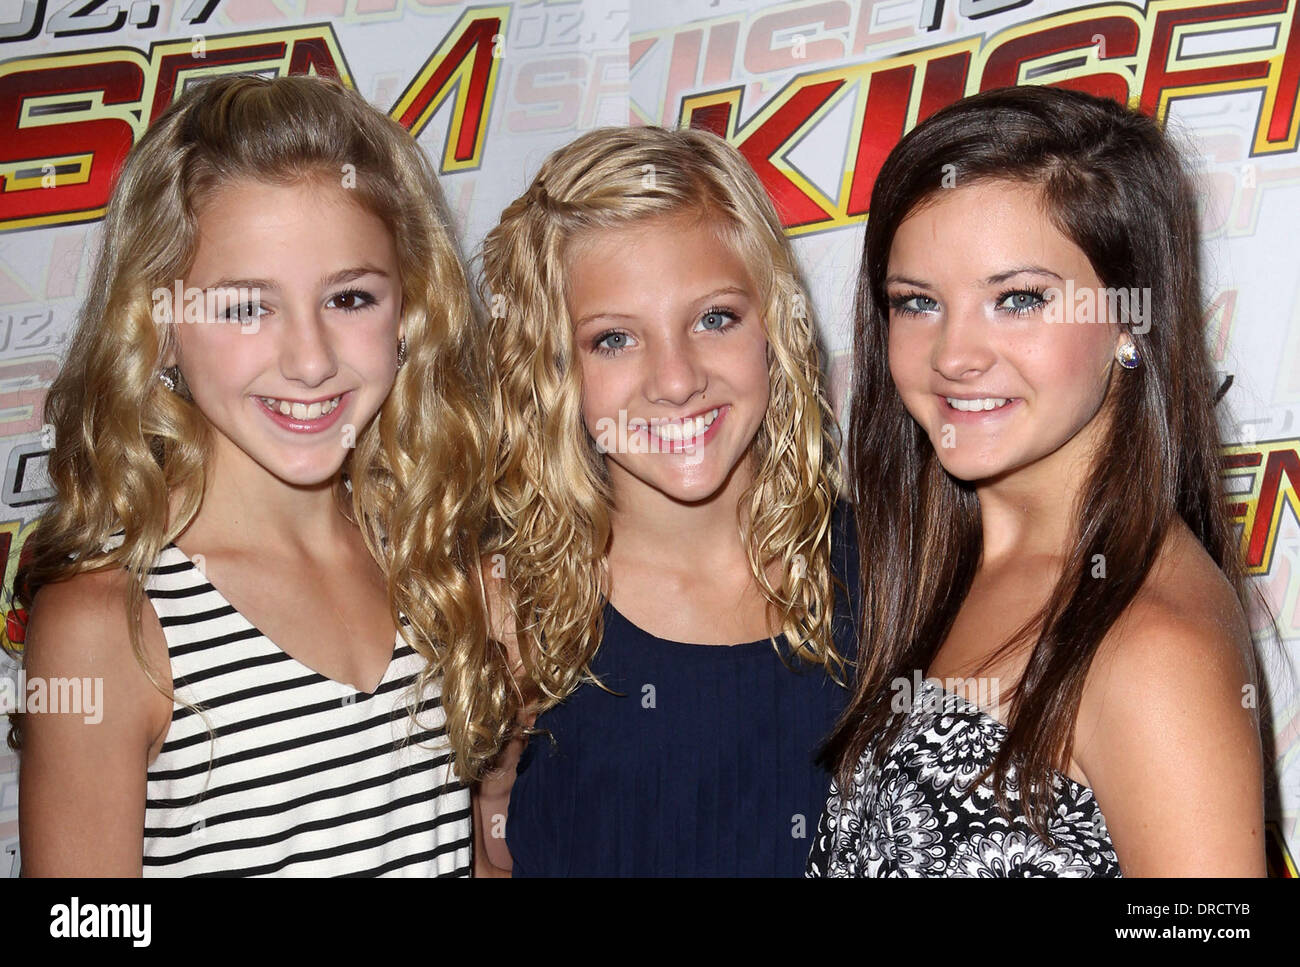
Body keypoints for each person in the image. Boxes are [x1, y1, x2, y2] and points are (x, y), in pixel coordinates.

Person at [11, 73, 490, 876]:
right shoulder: (111, 625)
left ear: (411, 310)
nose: (309, 361)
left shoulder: (429, 559)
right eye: (243, 307)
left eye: (349, 297)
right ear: (158, 326)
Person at [809, 84, 1267, 877]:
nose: (954, 354)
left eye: (1016, 299)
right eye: (917, 302)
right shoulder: (936, 567)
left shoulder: (1154, 645)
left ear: (1130, 317)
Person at [472, 125, 857, 876]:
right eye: (614, 338)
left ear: (775, 324)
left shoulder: (893, 572)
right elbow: (493, 856)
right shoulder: (510, 605)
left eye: (715, 318)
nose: (676, 379)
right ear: (555, 366)